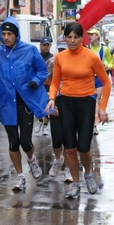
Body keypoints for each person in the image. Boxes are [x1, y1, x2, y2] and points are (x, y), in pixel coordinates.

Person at [0, 16, 48, 191]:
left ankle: (32, 160)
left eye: (10, 33)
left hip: (25, 100)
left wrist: (35, 80)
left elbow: (42, 70)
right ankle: (20, 176)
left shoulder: (29, 50)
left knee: (26, 142)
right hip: (6, 102)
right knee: (13, 142)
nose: (6, 37)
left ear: (16, 34)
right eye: (3, 34)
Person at [45, 22, 111, 199]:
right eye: (69, 37)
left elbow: (106, 82)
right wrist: (52, 99)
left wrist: (102, 108)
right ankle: (76, 183)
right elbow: (55, 82)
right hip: (66, 102)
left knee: (83, 148)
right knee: (70, 149)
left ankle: (88, 174)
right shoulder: (60, 57)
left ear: (83, 38)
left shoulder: (91, 57)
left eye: (76, 37)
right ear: (64, 38)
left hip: (86, 103)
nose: (72, 41)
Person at [47, 34, 73, 183]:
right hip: (56, 104)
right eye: (61, 49)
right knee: (57, 140)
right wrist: (49, 102)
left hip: (72, 105)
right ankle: (58, 159)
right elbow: (46, 83)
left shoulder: (77, 60)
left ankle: (68, 169)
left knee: (69, 141)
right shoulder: (51, 62)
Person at [87, 28, 113, 136]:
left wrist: (108, 66)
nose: (90, 37)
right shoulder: (87, 48)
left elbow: (111, 61)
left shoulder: (104, 49)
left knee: (96, 101)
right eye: (89, 35)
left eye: (92, 35)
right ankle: (87, 123)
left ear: (97, 36)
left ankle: (94, 126)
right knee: (89, 101)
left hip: (100, 78)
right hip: (88, 78)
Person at [34, 36, 54, 135]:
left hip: (49, 84)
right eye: (44, 45)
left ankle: (46, 125)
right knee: (38, 104)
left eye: (47, 45)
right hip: (38, 84)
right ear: (40, 45)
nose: (46, 47)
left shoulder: (53, 57)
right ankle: (40, 120)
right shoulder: (36, 56)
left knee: (48, 105)